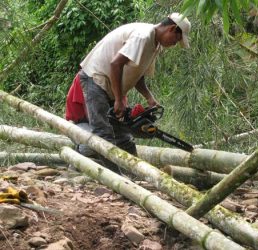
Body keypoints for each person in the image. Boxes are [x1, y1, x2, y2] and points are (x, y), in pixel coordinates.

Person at [72, 13, 191, 173]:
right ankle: (116, 179)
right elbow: (116, 64)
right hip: (96, 78)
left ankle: (133, 174)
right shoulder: (143, 36)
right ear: (171, 29)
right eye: (176, 40)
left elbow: (138, 74)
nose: (174, 44)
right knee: (103, 133)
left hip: (110, 85)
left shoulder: (154, 44)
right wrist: (119, 99)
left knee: (122, 134)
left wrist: (149, 97)